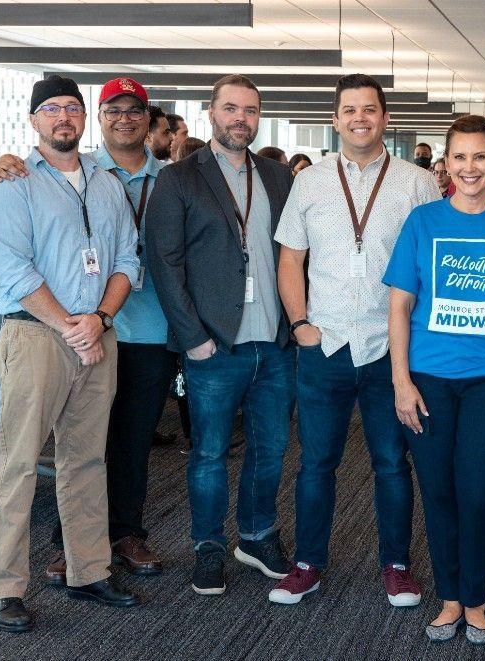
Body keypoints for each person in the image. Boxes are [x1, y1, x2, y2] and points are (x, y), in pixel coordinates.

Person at [0, 77, 180, 583]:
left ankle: (89, 572)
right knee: (19, 466)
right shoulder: (14, 184)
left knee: (87, 462)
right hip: (36, 335)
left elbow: (123, 258)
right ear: (34, 119)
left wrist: (98, 321)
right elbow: (15, 271)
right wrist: (74, 327)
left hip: (101, 337)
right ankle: (7, 587)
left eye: (70, 107)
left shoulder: (104, 183)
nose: (63, 117)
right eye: (52, 109)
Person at [270, 73, 439, 607]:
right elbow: (290, 257)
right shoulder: (310, 181)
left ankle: (396, 565)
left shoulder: (417, 182)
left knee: (392, 462)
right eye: (350, 110)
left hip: (392, 349)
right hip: (327, 345)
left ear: (385, 118)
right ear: (336, 118)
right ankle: (308, 564)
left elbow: (434, 266)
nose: (360, 119)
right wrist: (300, 324)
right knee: (317, 462)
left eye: (370, 109)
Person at [385, 115, 485, 645]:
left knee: (478, 492)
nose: (470, 167)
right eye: (460, 157)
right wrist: (401, 382)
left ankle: (475, 600)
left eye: (480, 157)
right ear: (445, 164)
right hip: (429, 379)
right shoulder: (422, 222)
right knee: (438, 491)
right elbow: (400, 305)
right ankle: (449, 598)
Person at [146, 74, 297, 596]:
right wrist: (193, 338)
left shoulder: (279, 178)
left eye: (251, 110)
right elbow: (164, 264)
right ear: (211, 113)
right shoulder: (180, 178)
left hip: (274, 343)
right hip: (214, 344)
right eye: (230, 108)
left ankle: (256, 536)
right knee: (209, 452)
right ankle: (207, 546)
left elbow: (296, 255)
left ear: (260, 117)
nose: (241, 119)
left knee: (271, 448)